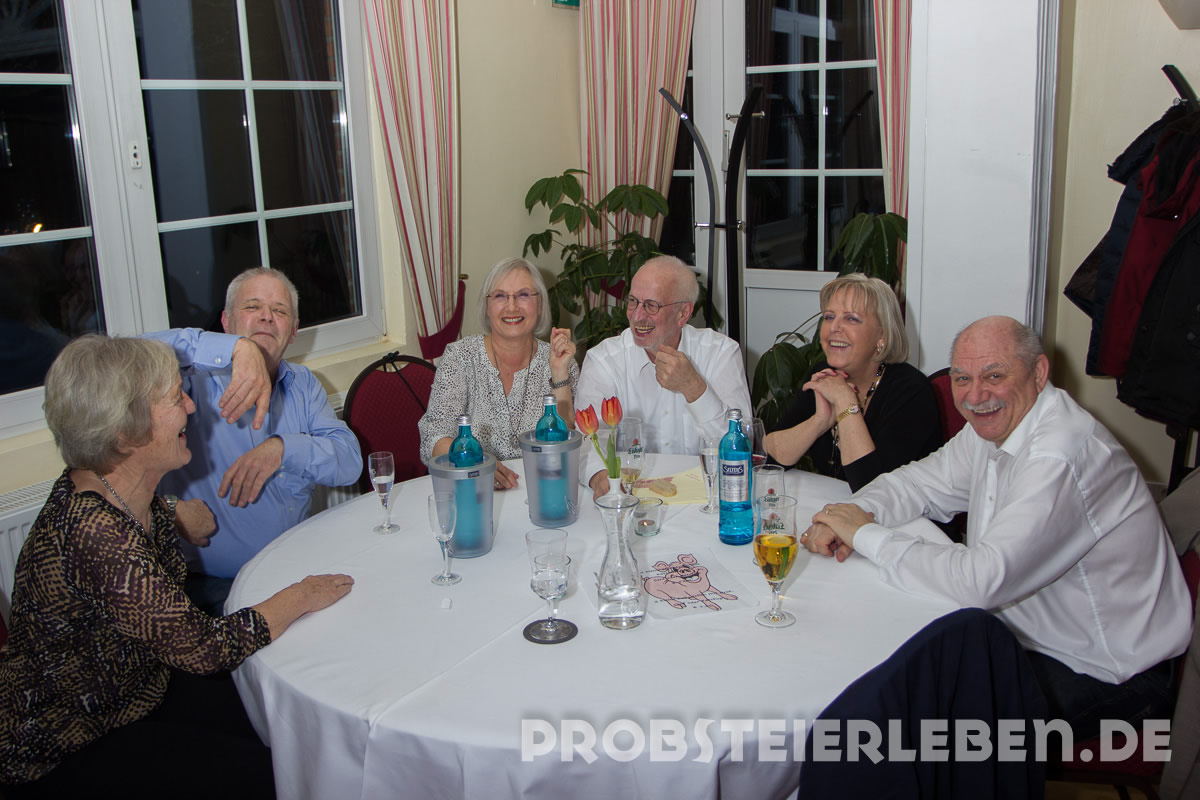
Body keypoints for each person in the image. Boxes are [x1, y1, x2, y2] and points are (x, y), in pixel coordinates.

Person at [805, 316, 1192, 741]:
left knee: (907, 723)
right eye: (962, 378)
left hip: (1104, 668)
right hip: (1022, 633)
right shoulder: (996, 425)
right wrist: (852, 513)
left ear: (1038, 373)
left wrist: (863, 534)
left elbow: (980, 582)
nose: (975, 396)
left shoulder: (1059, 453)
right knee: (887, 669)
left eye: (994, 376)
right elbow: (918, 483)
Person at [0, 335, 354, 797]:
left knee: (282, 727)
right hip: (70, 737)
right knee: (273, 775)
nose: (190, 406)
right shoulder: (95, 533)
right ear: (125, 433)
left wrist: (172, 511)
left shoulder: (110, 487)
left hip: (140, 687)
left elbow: (129, 531)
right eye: (175, 398)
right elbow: (204, 649)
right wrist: (300, 595)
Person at [146, 267, 362, 615]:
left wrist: (283, 449)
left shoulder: (303, 384)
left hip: (296, 570)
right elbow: (126, 352)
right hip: (214, 589)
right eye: (252, 306)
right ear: (225, 322)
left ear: (293, 331)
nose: (266, 316)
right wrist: (236, 349)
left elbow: (350, 462)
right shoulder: (189, 383)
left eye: (279, 310)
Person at [575, 255, 752, 497]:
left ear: (683, 313)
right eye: (633, 302)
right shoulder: (604, 360)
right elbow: (586, 442)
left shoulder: (720, 353)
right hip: (631, 498)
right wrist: (600, 477)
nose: (637, 316)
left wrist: (694, 387)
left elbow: (741, 447)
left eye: (651, 305)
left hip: (707, 498)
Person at [764, 273, 941, 492]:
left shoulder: (911, 391)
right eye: (829, 317)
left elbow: (873, 489)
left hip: (903, 512)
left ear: (882, 336)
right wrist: (819, 421)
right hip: (839, 504)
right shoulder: (824, 376)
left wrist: (845, 403)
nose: (834, 327)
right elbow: (768, 458)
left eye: (852, 319)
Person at [418, 257, 578, 490]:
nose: (511, 307)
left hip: (543, 487)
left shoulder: (560, 358)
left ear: (540, 304)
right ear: (487, 306)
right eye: (500, 296)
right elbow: (433, 436)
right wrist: (476, 466)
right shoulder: (460, 357)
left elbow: (567, 444)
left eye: (523, 295)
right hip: (474, 490)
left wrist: (559, 372)